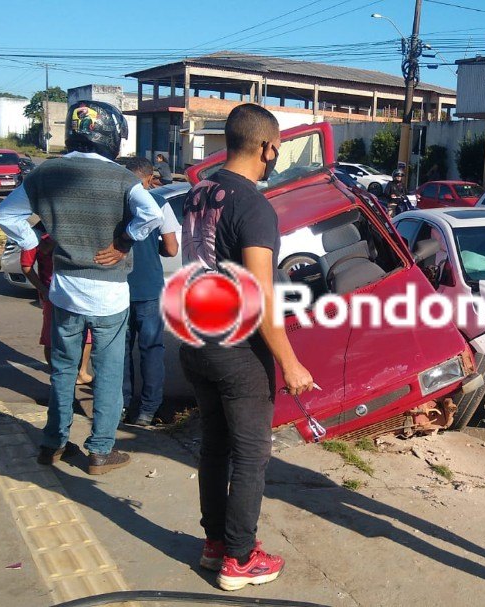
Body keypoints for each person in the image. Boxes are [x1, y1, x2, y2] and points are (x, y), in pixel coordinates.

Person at [180, 103, 314, 591]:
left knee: (215, 446)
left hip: (195, 339)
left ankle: (215, 541)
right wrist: (291, 362)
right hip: (237, 351)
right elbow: (260, 298)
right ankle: (239, 558)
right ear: (268, 147)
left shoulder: (199, 193)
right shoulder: (253, 205)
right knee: (253, 454)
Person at [0, 100, 163, 475]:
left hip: (64, 289)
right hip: (110, 293)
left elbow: (5, 214)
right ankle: (100, 451)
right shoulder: (123, 178)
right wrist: (124, 242)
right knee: (107, 370)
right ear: (112, 137)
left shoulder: (45, 173)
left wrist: (33, 243)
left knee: (63, 368)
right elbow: (151, 215)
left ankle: (53, 442)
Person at [122, 157, 180, 426]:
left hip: (116, 288)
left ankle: (119, 405)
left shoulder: (114, 202)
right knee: (151, 349)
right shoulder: (158, 203)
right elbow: (171, 248)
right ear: (146, 179)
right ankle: (148, 409)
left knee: (117, 351)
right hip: (148, 287)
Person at [20, 225, 93, 385]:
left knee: (87, 334)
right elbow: (26, 266)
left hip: (80, 291)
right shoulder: (35, 234)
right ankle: (57, 377)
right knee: (51, 337)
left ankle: (82, 372)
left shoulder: (73, 226)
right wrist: (43, 290)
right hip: (53, 294)